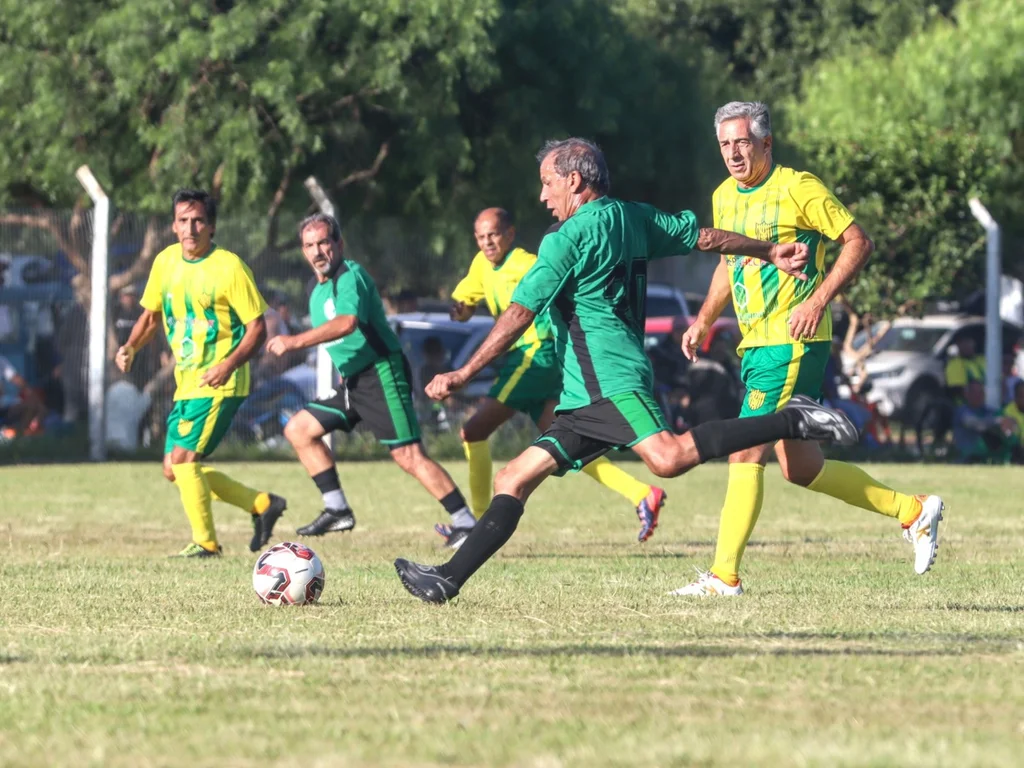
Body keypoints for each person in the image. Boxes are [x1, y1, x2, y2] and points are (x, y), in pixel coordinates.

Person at [393, 137, 860, 604]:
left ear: (574, 181)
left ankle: (792, 419)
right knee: (512, 478)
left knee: (668, 459)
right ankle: (447, 580)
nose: (542, 196)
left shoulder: (566, 238)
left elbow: (519, 313)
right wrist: (768, 250)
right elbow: (704, 237)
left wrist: (462, 372)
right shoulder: (633, 215)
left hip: (610, 378)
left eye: (547, 183)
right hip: (583, 392)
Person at [672, 102, 943, 597]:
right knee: (802, 468)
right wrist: (704, 320)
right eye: (725, 145)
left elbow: (858, 242)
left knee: (743, 451)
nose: (733, 153)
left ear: (766, 144)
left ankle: (723, 577)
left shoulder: (798, 187)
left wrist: (818, 300)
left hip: (792, 341)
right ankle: (913, 510)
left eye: (743, 143)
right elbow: (728, 263)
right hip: (756, 344)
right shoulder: (723, 195)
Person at [445, 207, 668, 546]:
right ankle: (641, 492)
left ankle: (477, 524)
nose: (487, 242)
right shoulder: (480, 265)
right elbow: (464, 305)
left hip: (538, 354)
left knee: (473, 430)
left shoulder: (526, 262)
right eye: (480, 236)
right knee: (562, 445)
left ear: (509, 234)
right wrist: (460, 310)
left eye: (492, 234)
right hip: (529, 359)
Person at [266, 213, 477, 543]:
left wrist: (293, 341)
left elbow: (347, 323)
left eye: (324, 242)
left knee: (408, 456)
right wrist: (342, 376)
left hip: (381, 374)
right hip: (352, 383)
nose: (317, 251)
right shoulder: (315, 288)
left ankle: (465, 523)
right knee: (299, 429)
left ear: (339, 244)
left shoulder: (351, 275)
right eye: (309, 245)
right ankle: (336, 509)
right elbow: (340, 342)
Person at [115, 188, 287, 558]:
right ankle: (261, 504)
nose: (190, 228)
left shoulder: (229, 267)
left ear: (211, 226)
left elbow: (258, 328)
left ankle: (206, 543)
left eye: (198, 221)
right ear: (174, 226)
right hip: (187, 383)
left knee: (183, 461)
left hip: (222, 382)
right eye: (183, 221)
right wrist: (130, 346)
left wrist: (227, 365)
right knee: (173, 470)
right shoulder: (165, 262)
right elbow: (150, 317)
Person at [953, 380, 1017, 463]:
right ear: (966, 394)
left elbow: (1008, 422)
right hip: (967, 457)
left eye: (981, 392)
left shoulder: (990, 411)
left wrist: (1009, 424)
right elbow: (977, 424)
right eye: (974, 392)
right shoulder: (962, 411)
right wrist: (998, 421)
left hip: (991, 457)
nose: (978, 395)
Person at [945, 334, 985, 403]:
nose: (967, 346)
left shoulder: (982, 359)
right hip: (966, 407)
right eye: (963, 343)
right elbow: (958, 390)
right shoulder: (955, 364)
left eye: (969, 342)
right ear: (958, 345)